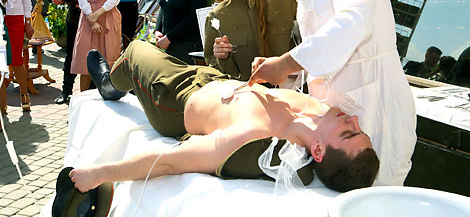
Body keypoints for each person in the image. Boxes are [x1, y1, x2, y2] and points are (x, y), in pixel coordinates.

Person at [70, 44, 379, 198]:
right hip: (213, 78)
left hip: (175, 98)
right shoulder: (320, 111)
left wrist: (99, 173)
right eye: (358, 127)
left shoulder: (255, 135)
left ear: (319, 151)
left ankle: (109, 84)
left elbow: (170, 161)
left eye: (349, 133)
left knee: (137, 49)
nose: (352, 119)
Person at [249, 0, 416, 187]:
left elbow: (352, 23)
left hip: (377, 112)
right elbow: (323, 62)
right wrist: (287, 73)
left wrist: (287, 63)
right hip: (335, 125)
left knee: (375, 198)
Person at [1, 0, 33, 113]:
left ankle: (23, 93)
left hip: (15, 19)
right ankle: (2, 104)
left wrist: (28, 22)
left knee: (16, 60)